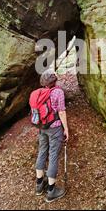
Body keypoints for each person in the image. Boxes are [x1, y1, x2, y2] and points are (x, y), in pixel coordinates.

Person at [35, 70, 69, 203]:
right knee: (53, 155)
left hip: (42, 128)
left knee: (42, 152)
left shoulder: (40, 92)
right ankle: (51, 191)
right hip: (54, 128)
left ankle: (39, 185)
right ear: (55, 81)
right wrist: (66, 129)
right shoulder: (58, 92)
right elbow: (61, 112)